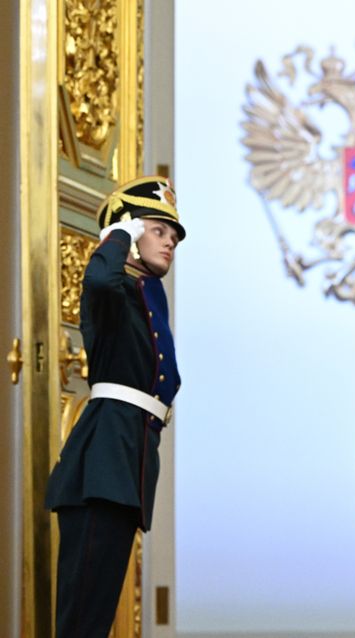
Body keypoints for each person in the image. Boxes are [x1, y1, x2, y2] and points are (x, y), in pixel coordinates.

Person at [45, 175, 184, 637]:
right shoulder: (110, 290)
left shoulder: (148, 296)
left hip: (127, 466)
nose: (169, 243)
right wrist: (118, 231)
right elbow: (102, 277)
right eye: (158, 230)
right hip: (101, 467)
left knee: (96, 618)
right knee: (81, 621)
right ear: (126, 233)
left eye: (173, 237)